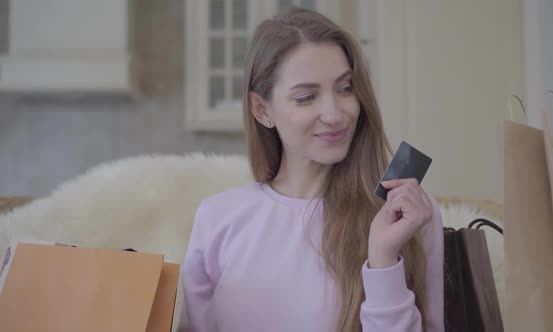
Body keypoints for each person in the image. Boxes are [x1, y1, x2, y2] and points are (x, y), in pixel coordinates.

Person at [180, 7, 443, 332]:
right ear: (262, 110)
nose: (334, 114)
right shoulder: (217, 218)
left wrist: (382, 259)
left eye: (346, 88)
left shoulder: (404, 215)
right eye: (306, 97)